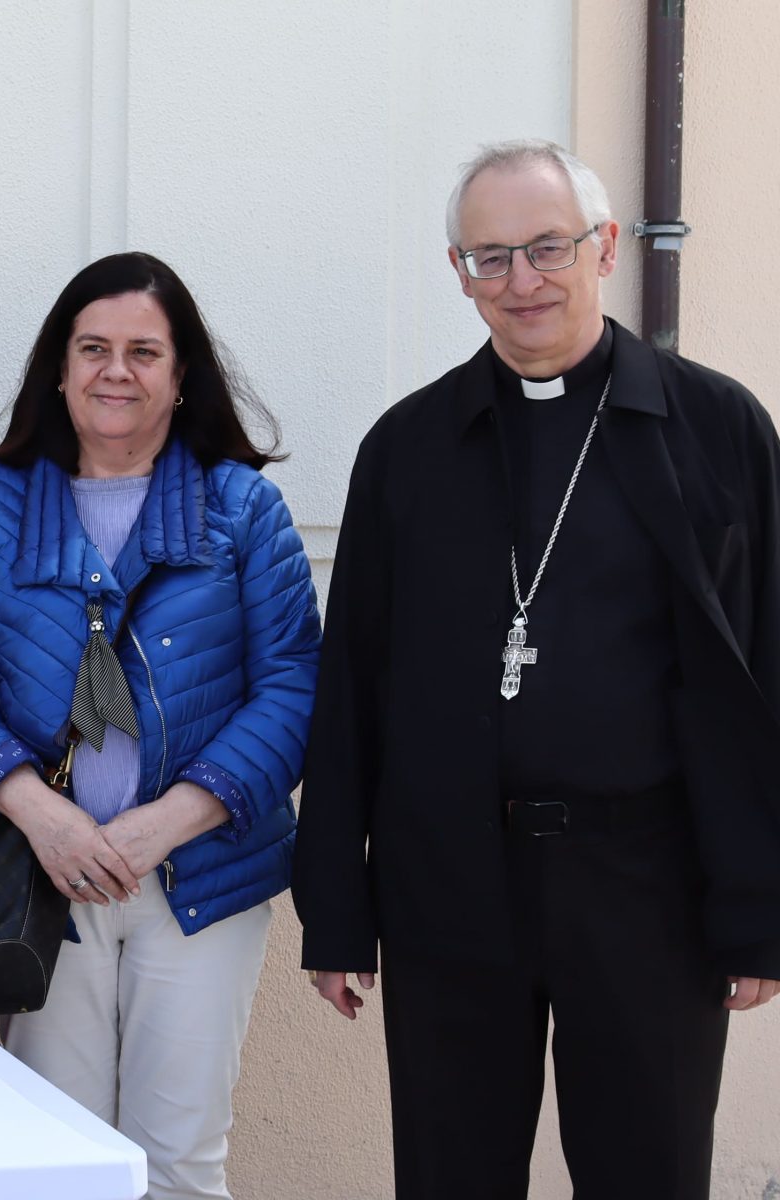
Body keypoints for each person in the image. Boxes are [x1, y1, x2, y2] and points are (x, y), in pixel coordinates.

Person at [292, 138, 780, 1200]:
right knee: (449, 1175)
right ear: (457, 274)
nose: (520, 282)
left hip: (648, 886)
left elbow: (764, 678)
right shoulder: (406, 448)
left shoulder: (717, 428)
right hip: (447, 881)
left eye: (545, 247)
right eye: (489, 257)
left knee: (646, 1176)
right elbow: (350, 690)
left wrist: (759, 904)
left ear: (602, 247)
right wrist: (335, 905)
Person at [0, 252, 319, 1200]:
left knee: (178, 1158)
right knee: (63, 1157)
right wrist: (40, 817)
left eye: (143, 351)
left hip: (201, 877)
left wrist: (168, 820)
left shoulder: (241, 508)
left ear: (182, 378)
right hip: (47, 880)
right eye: (93, 348)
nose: (115, 371)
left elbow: (295, 682)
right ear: (59, 367)